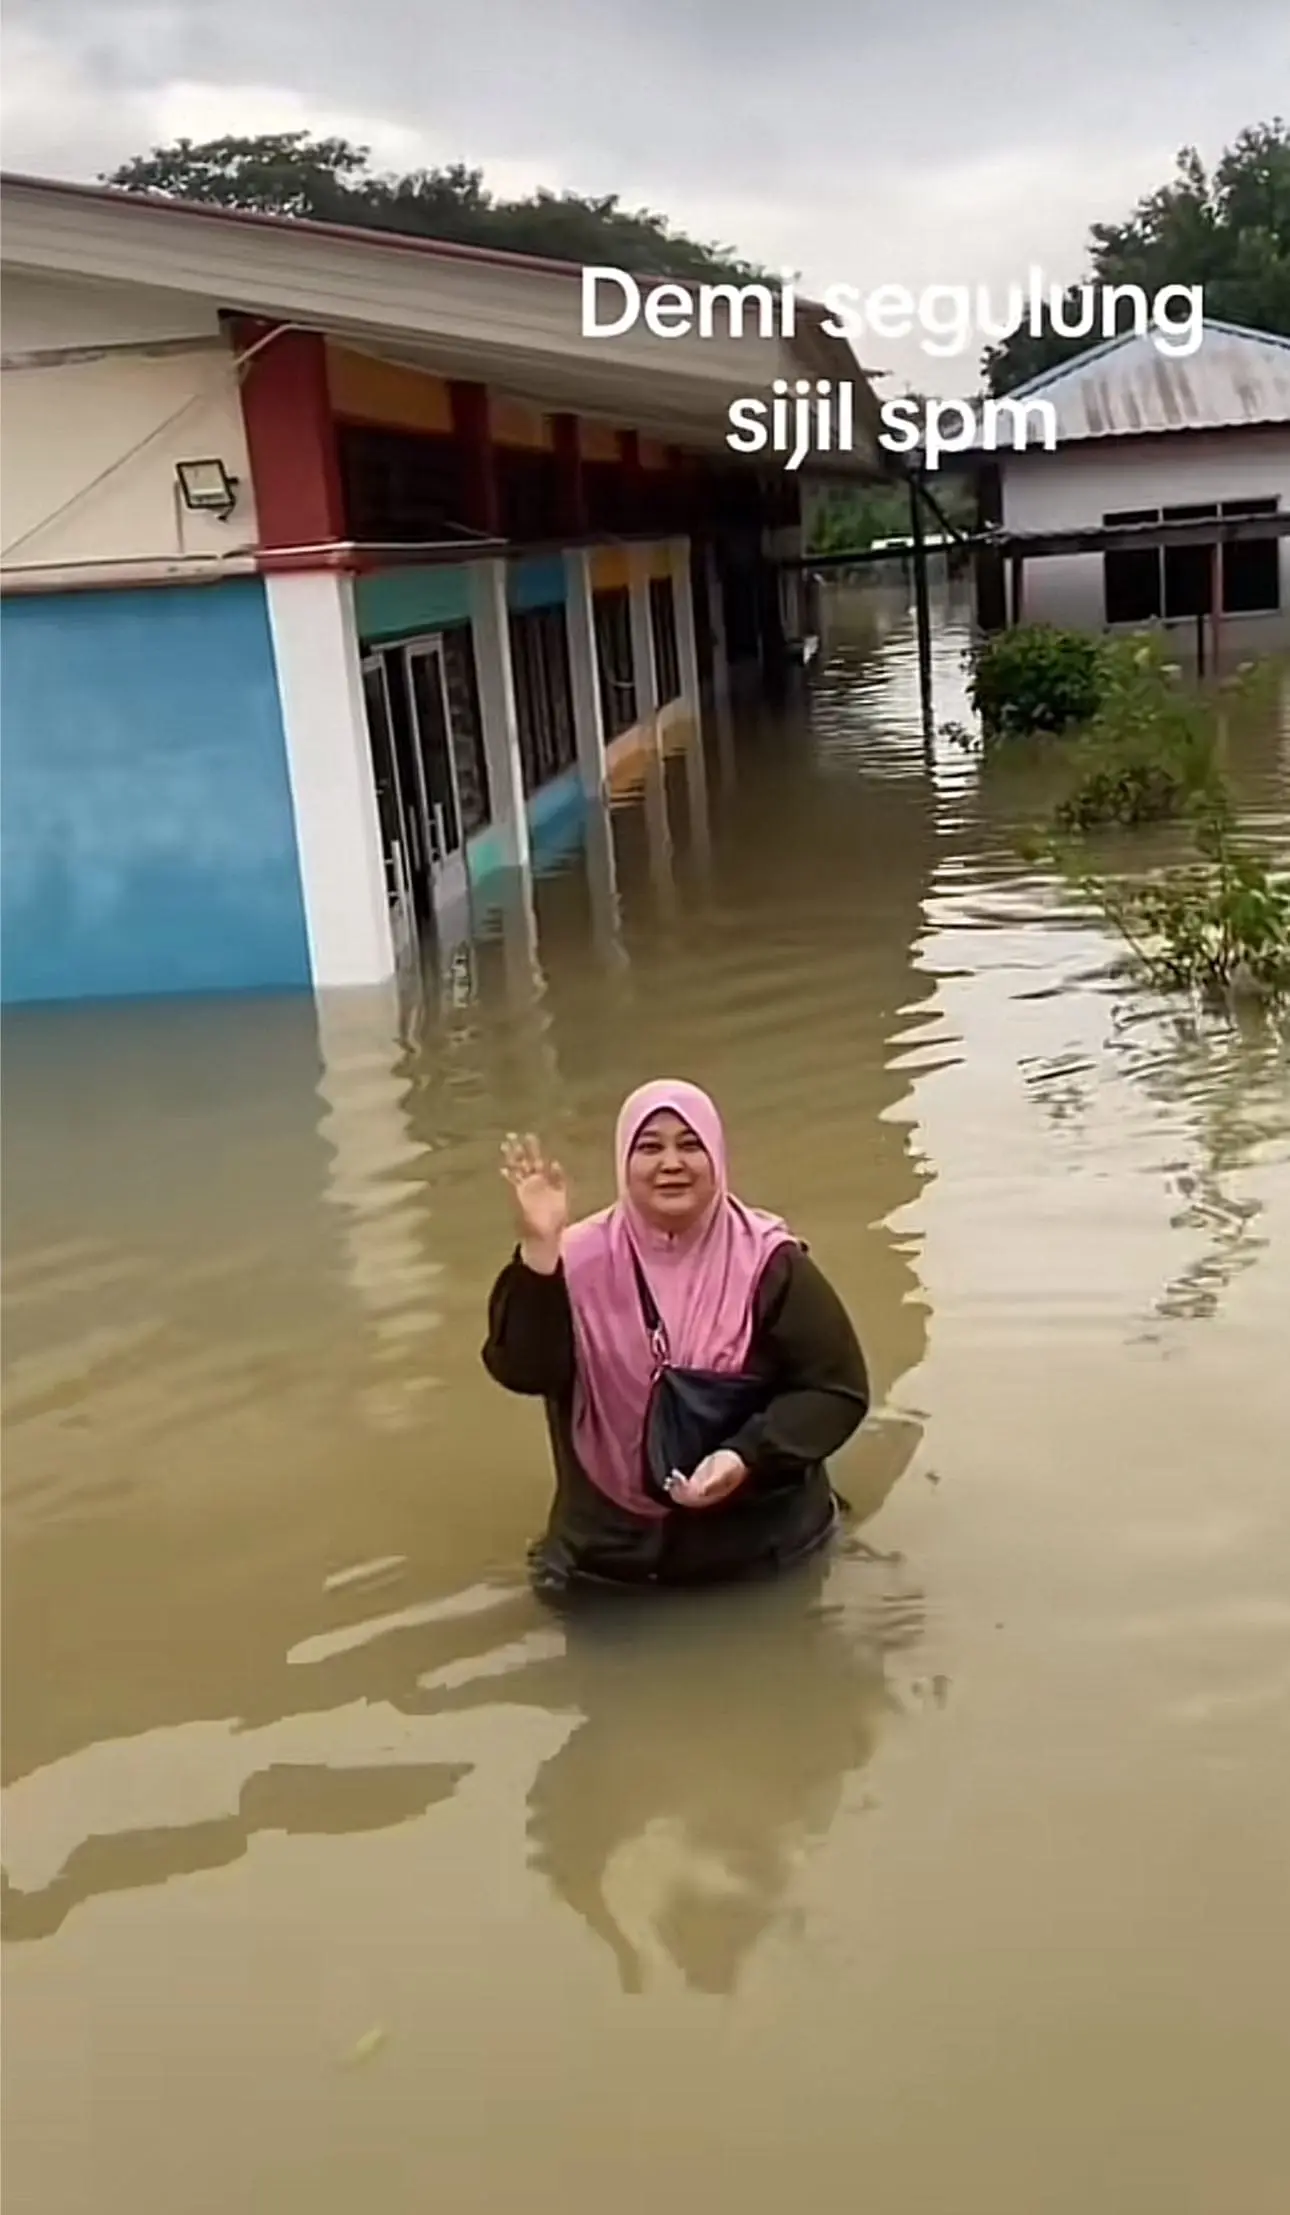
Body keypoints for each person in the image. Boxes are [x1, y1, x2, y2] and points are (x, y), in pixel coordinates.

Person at [482, 1079, 870, 1599]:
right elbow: (523, 1370)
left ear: (717, 1157)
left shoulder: (770, 1264)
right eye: (650, 1147)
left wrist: (744, 1456)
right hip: (609, 1560)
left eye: (690, 1145)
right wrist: (538, 1253)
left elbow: (836, 1391)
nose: (671, 1163)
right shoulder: (573, 1262)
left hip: (762, 1556)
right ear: (624, 1161)